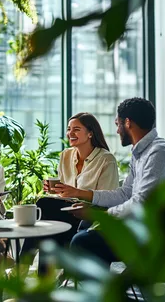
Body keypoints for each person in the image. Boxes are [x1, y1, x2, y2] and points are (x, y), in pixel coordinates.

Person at [70, 97, 165, 266]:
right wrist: (87, 198)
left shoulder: (160, 153)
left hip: (161, 237)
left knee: (83, 241)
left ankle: (105, 289)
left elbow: (142, 203)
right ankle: (105, 287)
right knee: (86, 226)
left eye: (117, 124)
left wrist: (101, 215)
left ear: (127, 123)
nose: (117, 131)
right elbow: (125, 193)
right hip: (143, 228)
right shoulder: (139, 153)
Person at [20, 112, 119, 270]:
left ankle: (23, 268)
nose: (70, 133)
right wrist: (54, 190)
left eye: (76, 129)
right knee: (47, 224)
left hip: (88, 219)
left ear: (90, 133)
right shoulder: (66, 155)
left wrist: (75, 193)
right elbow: (64, 194)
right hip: (65, 215)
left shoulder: (106, 160)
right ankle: (42, 282)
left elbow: (109, 201)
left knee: (43, 208)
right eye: (69, 129)